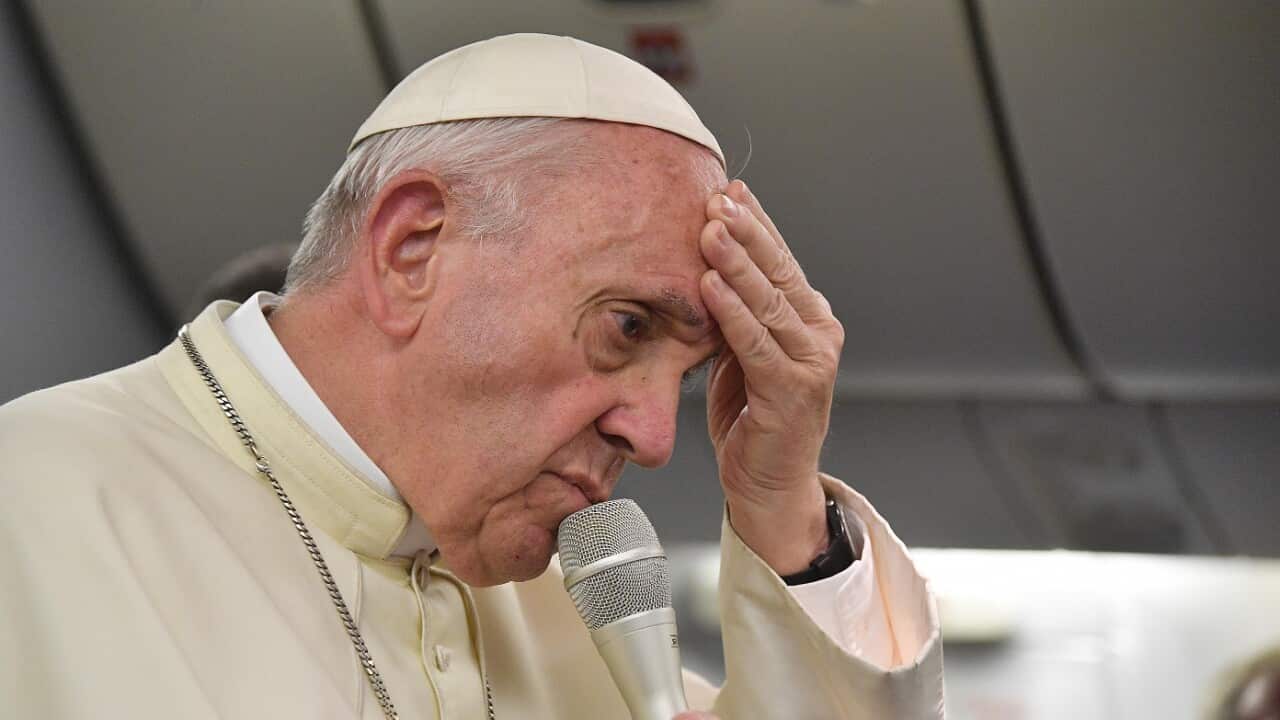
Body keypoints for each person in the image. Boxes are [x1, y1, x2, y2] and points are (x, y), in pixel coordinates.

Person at [0, 34, 943, 718]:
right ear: (412, 250)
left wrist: (782, 511)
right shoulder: (33, 510)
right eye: (626, 326)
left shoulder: (576, 614)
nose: (655, 440)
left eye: (690, 377)